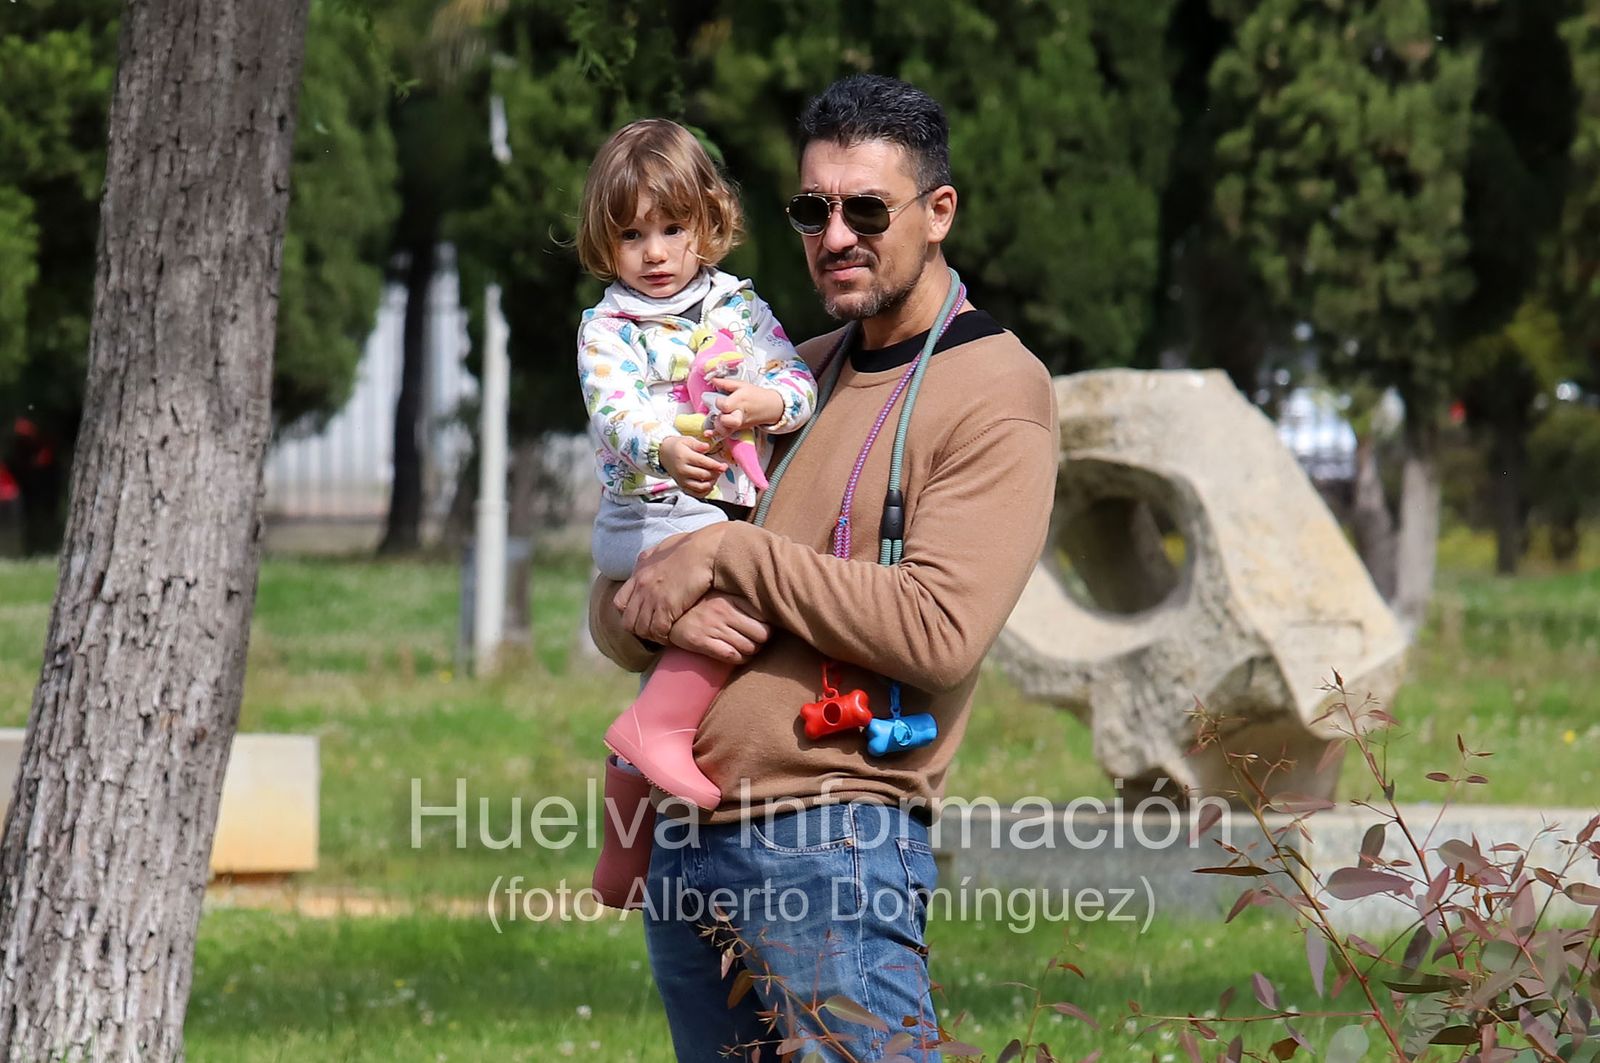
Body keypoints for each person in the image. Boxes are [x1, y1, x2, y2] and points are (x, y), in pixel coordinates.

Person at [588, 75, 1058, 1062]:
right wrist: (654, 614)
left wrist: (728, 553)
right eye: (813, 208)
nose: (834, 234)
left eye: (866, 209)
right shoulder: (787, 379)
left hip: (829, 845)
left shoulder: (994, 388)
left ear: (938, 214)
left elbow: (938, 629)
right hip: (685, 839)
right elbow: (620, 598)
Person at [573, 118, 817, 907]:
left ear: (707, 222)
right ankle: (655, 734)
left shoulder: (738, 309)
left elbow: (797, 384)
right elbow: (614, 412)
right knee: (746, 596)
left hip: (714, 515)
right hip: (650, 519)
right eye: (632, 234)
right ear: (605, 243)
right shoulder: (609, 326)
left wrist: (767, 398)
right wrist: (666, 446)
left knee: (740, 597)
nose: (654, 252)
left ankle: (629, 807)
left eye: (673, 228)